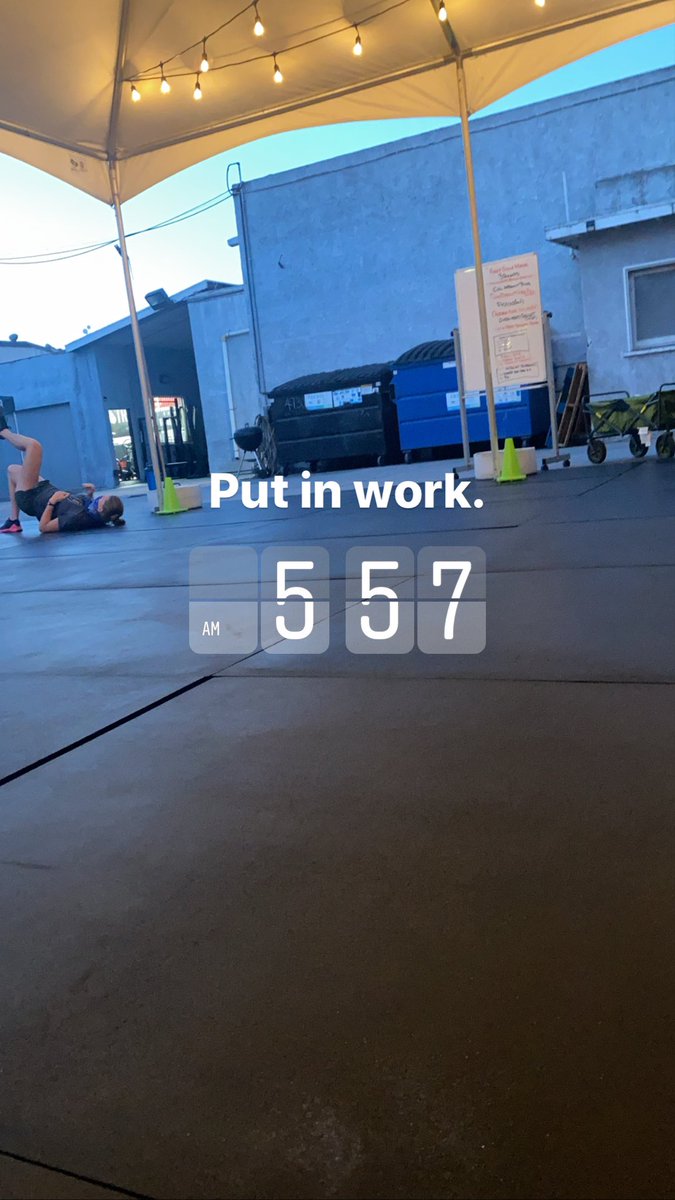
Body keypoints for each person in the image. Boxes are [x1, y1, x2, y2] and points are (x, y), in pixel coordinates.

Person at [0, 410, 125, 534]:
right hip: (43, 489)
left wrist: (52, 502)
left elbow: (44, 527)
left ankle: (3, 431)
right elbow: (80, 508)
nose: (99, 498)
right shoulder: (92, 513)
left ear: (100, 508)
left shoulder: (75, 518)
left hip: (31, 497)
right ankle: (13, 521)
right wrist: (90, 495)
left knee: (34, 446)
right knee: (12, 470)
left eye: (101, 499)